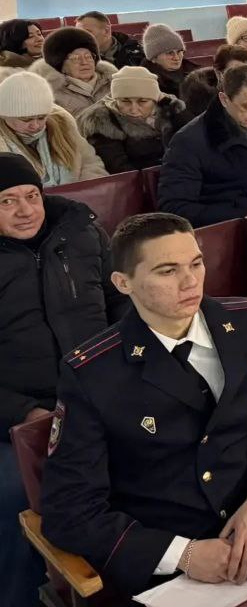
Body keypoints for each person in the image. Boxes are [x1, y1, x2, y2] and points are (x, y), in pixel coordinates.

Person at [41, 213, 247, 595]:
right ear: (123, 283)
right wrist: (182, 554)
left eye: (196, 264)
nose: (190, 282)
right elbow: (69, 509)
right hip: (166, 554)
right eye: (167, 271)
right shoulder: (93, 373)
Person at [0, 153, 125, 607]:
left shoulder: (81, 231)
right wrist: (24, 412)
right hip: (20, 413)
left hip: (98, 390)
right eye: (7, 201)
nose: (25, 210)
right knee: (17, 494)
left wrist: (126, 367)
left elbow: (121, 302)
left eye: (31, 196)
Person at [158, 62, 247, 227]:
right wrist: (242, 214)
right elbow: (174, 208)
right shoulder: (188, 141)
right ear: (224, 99)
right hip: (227, 230)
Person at [0, 72, 107, 184]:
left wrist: (87, 188)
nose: (35, 125)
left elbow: (89, 162)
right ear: (5, 116)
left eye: (41, 118)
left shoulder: (63, 125)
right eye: (26, 120)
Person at [77, 66, 185, 174]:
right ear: (116, 100)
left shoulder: (167, 111)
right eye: (125, 101)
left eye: (142, 101)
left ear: (155, 100)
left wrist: (168, 103)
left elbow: (191, 137)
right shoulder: (104, 122)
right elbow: (120, 168)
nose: (133, 109)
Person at [31, 25, 118, 116]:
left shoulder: (113, 83)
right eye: (75, 58)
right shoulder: (52, 93)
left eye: (88, 56)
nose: (84, 62)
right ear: (61, 64)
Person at [142, 23, 197, 97]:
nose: (176, 58)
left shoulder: (196, 75)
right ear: (154, 58)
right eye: (169, 53)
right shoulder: (145, 83)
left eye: (179, 51)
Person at [77, 11, 145, 68]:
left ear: (106, 31)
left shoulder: (139, 51)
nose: (80, 38)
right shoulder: (75, 58)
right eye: (78, 33)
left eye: (87, 32)